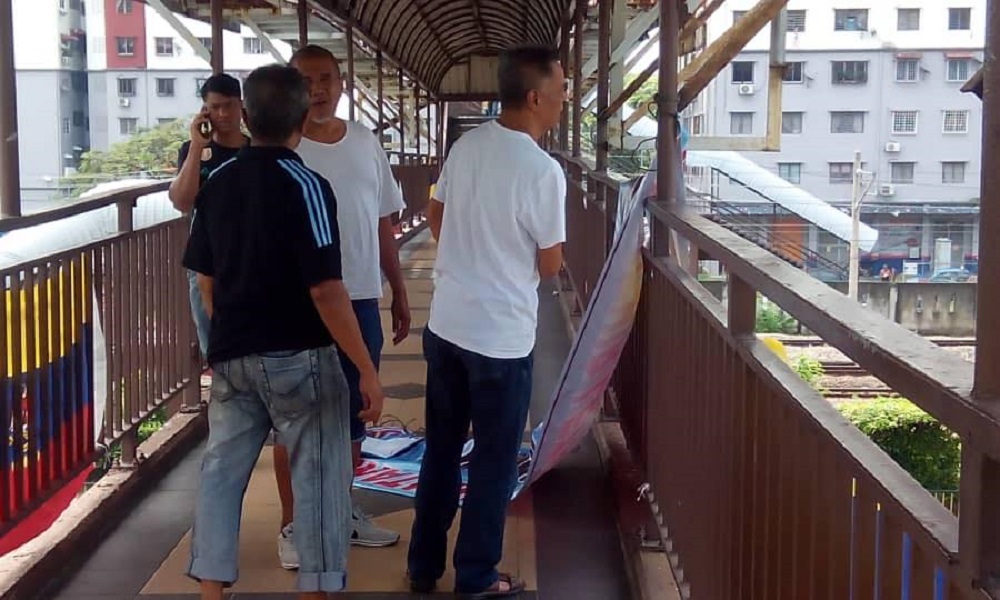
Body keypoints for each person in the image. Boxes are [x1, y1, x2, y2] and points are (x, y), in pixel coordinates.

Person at [182, 64, 384, 600]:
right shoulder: (309, 185)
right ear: (300, 118)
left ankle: (210, 590)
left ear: (245, 116)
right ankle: (315, 590)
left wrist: (223, 338)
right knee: (318, 475)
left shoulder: (218, 180)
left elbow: (205, 279)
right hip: (300, 357)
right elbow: (326, 289)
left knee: (222, 473)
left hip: (232, 355)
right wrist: (364, 367)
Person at [407, 46, 567, 598]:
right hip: (501, 339)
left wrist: (468, 252)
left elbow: (435, 214)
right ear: (534, 97)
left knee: (443, 450)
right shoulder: (542, 170)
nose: (564, 101)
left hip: (447, 325)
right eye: (561, 90)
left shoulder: (466, 145)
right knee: (494, 462)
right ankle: (475, 577)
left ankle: (423, 567)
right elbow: (550, 263)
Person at [272, 44, 411, 570]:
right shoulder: (281, 147)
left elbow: (382, 222)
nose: (319, 89)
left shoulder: (365, 141)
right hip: (297, 302)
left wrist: (396, 288)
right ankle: (293, 523)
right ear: (291, 87)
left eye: (328, 78)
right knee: (294, 421)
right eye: (307, 80)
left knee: (357, 415)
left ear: (342, 84)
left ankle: (341, 511)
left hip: (359, 298)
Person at [169, 73, 249, 369]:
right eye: (214, 108)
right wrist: (195, 147)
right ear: (204, 110)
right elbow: (181, 201)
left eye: (229, 106)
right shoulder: (194, 152)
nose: (223, 114)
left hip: (248, 258)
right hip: (206, 261)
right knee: (215, 345)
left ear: (242, 106)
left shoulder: (255, 149)